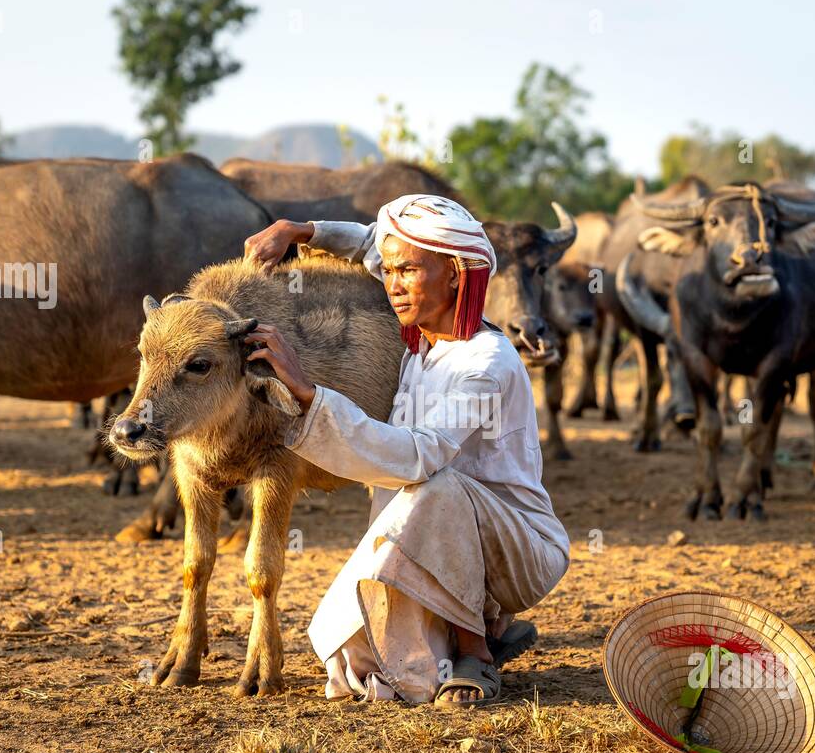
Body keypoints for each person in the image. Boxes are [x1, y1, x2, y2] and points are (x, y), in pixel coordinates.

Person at [241, 194, 569, 709]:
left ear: (456, 274)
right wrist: (301, 230)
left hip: (521, 547)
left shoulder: (485, 362)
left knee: (437, 485)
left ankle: (476, 651)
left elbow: (419, 456)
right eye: (388, 270)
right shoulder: (426, 344)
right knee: (352, 656)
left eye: (408, 271)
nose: (392, 283)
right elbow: (374, 242)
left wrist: (309, 394)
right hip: (446, 532)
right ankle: (481, 617)